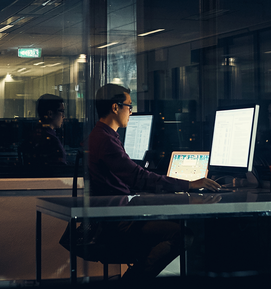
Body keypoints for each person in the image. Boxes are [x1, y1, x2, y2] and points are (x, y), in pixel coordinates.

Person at [86, 83, 220, 279]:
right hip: (117, 224)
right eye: (129, 106)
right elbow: (138, 177)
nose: (131, 112)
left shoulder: (103, 136)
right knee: (183, 235)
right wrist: (189, 184)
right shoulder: (105, 140)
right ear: (115, 107)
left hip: (115, 216)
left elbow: (130, 178)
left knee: (172, 222)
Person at [22, 94, 68, 173]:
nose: (63, 116)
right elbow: (60, 170)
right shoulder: (51, 141)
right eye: (62, 111)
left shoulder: (34, 135)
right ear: (50, 114)